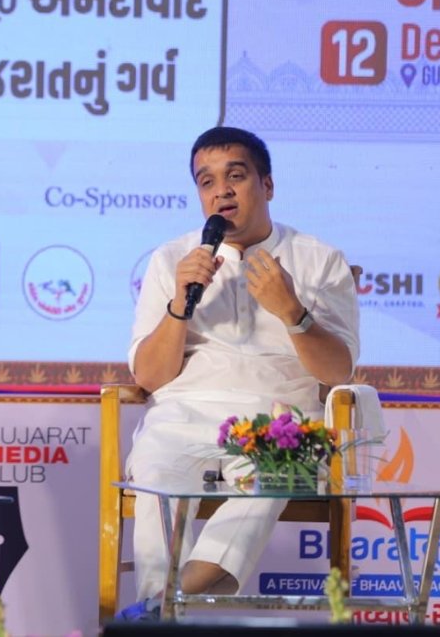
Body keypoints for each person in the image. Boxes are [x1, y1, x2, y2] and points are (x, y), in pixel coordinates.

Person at [120, 126, 360, 619]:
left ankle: (158, 608)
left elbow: (339, 371)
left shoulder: (320, 260)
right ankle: (161, 611)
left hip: (279, 420)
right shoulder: (172, 259)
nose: (221, 192)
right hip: (183, 415)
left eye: (235, 176)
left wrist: (292, 311)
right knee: (155, 478)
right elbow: (149, 377)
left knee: (279, 473)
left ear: (266, 185)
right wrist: (179, 303)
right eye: (206, 182)